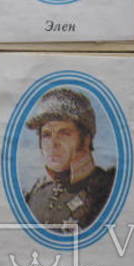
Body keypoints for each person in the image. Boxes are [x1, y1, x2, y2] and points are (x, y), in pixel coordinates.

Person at [24, 88, 115, 232]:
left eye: (64, 133)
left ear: (85, 140)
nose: (53, 144)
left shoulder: (107, 189)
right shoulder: (35, 195)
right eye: (46, 135)